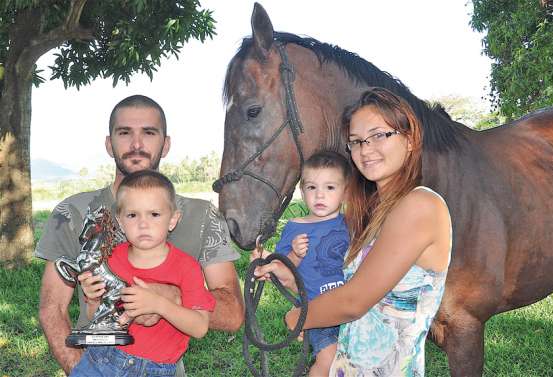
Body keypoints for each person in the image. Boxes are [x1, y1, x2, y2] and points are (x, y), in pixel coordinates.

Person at [36, 95, 244, 376]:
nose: (136, 144)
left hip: (162, 366)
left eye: (149, 132)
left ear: (165, 144)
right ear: (109, 144)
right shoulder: (73, 212)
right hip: (95, 359)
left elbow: (232, 314)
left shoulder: (202, 215)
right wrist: (81, 370)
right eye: (124, 133)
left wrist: (169, 297)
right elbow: (52, 309)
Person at [255, 87, 452, 376]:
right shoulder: (373, 216)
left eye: (379, 135)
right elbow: (340, 289)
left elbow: (354, 301)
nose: (365, 149)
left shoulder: (421, 205)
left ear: (409, 140)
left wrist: (299, 317)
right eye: (357, 141)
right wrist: (289, 274)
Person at [71, 170, 215, 376]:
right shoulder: (110, 259)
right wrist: (94, 300)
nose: (143, 224)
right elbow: (99, 320)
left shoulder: (187, 267)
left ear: (173, 220)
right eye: (132, 215)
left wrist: (159, 304)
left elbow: (200, 327)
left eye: (154, 214)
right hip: (100, 359)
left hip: (152, 369)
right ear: (120, 222)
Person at [254, 151, 350, 376]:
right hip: (317, 309)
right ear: (302, 191)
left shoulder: (351, 223)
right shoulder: (295, 227)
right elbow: (284, 270)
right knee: (328, 359)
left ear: (345, 192)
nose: (320, 196)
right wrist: (295, 255)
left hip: (350, 306)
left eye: (330, 188)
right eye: (312, 188)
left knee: (351, 362)